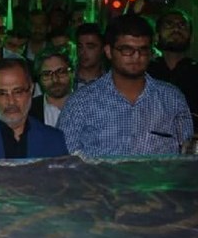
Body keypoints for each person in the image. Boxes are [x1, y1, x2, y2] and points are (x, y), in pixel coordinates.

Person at [57, 14, 193, 157]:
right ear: (108, 51)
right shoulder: (82, 102)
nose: (136, 56)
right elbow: (63, 159)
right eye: (126, 50)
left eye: (143, 50)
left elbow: (187, 157)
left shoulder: (171, 99)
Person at [0, 58, 68, 160]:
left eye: (18, 92)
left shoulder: (53, 139)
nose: (11, 101)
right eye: (2, 93)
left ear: (31, 89)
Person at [147, 9, 198, 122]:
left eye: (182, 25)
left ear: (191, 38)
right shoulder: (144, 72)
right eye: (169, 24)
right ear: (157, 36)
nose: (176, 29)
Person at [30, 47, 73, 127]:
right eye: (47, 74)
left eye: (60, 72)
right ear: (39, 79)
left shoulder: (88, 105)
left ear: (72, 73)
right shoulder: (29, 110)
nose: (55, 79)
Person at [74, 22, 106, 91]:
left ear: (102, 49)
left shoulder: (111, 81)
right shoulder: (67, 78)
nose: (83, 52)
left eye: (90, 47)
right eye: (80, 47)